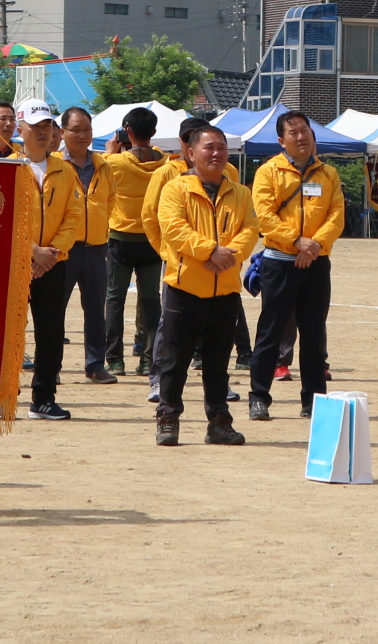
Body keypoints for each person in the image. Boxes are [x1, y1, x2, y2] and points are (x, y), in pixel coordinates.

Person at [151, 120, 256, 446]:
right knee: (174, 361)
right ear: (191, 153)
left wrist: (229, 255)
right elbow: (172, 228)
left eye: (221, 147)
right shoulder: (175, 189)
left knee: (217, 363)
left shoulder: (240, 192)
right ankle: (168, 418)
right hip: (184, 288)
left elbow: (251, 229)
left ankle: (219, 423)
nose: (216, 153)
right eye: (208, 147)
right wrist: (211, 250)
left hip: (224, 290)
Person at [250, 110, 342, 421]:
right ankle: (259, 396)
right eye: (294, 133)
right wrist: (297, 241)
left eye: (305, 131)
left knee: (314, 335)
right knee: (270, 332)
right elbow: (265, 216)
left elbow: (336, 215)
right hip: (280, 264)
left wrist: (314, 245)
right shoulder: (268, 172)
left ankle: (313, 400)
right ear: (281, 141)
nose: (301, 137)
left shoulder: (328, 174)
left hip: (316, 263)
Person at [8, 99, 85, 419]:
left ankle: (43, 397)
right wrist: (30, 251)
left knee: (51, 331)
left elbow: (75, 215)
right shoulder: (8, 168)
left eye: (47, 127)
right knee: (9, 331)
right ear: (19, 129)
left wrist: (52, 253)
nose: (43, 133)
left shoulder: (64, 170)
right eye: (36, 127)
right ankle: (4, 394)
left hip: (53, 263)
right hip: (13, 263)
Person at [102, 107, 168, 386]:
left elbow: (99, 174)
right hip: (152, 241)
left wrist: (111, 151)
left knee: (114, 299)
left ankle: (114, 359)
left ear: (127, 132)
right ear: (153, 133)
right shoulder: (166, 165)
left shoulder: (112, 162)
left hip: (120, 238)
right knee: (151, 299)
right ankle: (148, 358)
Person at [58, 106, 117, 385]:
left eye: (87, 130)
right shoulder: (55, 165)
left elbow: (110, 201)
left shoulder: (104, 165)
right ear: (63, 132)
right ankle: (52, 364)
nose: (83, 135)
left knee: (95, 309)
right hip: (63, 248)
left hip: (96, 246)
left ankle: (95, 364)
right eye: (76, 130)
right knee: (55, 309)